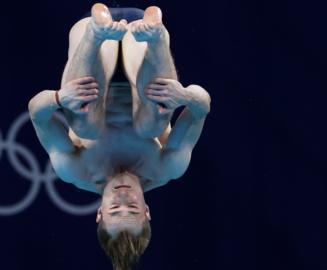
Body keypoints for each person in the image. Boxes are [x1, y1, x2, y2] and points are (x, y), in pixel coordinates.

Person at [28, 3, 211, 269]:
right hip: (141, 41)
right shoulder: (167, 167)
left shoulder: (75, 169)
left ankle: (96, 32)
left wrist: (59, 98)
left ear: (99, 213)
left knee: (86, 127)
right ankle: (157, 35)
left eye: (115, 210)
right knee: (150, 127)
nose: (123, 199)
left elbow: (36, 112)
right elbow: (202, 107)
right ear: (147, 212)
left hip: (96, 49)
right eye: (133, 209)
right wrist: (185, 96)